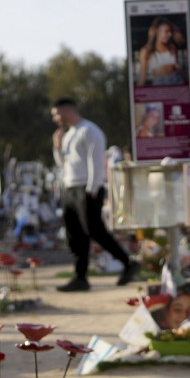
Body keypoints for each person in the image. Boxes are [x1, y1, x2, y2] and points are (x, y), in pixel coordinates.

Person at [50, 97, 138, 291]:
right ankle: (80, 277)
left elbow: (96, 162)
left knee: (95, 231)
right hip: (70, 187)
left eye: (57, 114)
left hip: (86, 189)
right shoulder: (67, 134)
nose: (56, 119)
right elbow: (62, 164)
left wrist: (92, 188)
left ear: (67, 111)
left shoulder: (90, 130)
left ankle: (127, 262)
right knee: (75, 235)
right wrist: (57, 146)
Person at [138, 17, 185, 86]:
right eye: (166, 31)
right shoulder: (146, 51)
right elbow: (142, 77)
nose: (170, 34)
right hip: (159, 83)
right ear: (157, 31)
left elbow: (177, 67)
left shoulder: (172, 47)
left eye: (170, 32)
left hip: (176, 80)